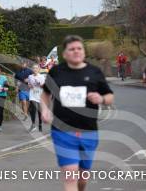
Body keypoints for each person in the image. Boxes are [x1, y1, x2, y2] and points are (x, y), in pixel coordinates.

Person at [41, 35, 114, 191]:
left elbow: (110, 97)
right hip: (62, 131)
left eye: (79, 48)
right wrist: (45, 109)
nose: (76, 51)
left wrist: (101, 98)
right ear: (65, 54)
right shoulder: (56, 72)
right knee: (70, 175)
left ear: (84, 52)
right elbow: (45, 94)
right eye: (71, 49)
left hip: (88, 131)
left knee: (82, 177)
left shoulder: (94, 72)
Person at [28, 64, 46, 132]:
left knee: (39, 111)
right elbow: (29, 84)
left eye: (36, 68)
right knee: (33, 109)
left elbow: (43, 86)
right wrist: (30, 86)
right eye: (33, 68)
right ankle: (33, 124)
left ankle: (40, 124)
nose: (35, 69)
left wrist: (39, 83)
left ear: (38, 69)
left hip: (40, 95)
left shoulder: (41, 76)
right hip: (32, 94)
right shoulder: (30, 76)